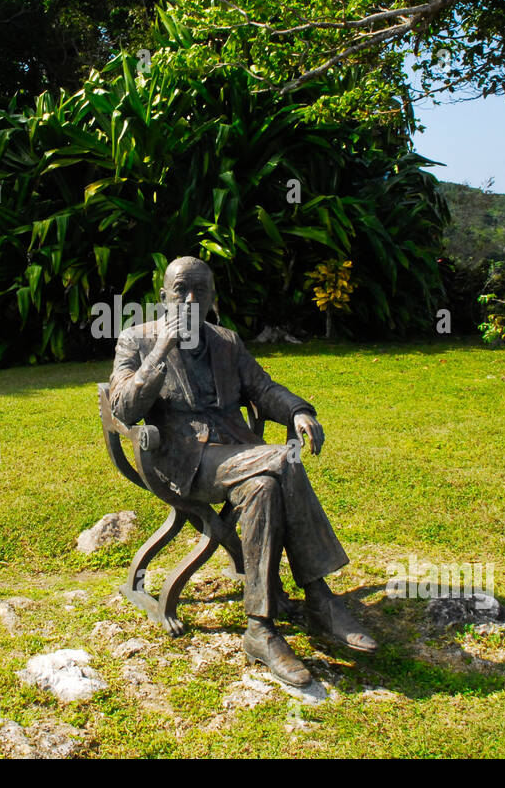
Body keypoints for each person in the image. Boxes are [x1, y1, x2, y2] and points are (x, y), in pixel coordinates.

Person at [108, 256, 376, 686]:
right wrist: (161, 351)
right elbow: (122, 407)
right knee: (280, 461)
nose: (191, 298)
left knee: (266, 487)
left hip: (237, 453)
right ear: (164, 297)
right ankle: (319, 599)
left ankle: (260, 629)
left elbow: (263, 388)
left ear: (213, 299)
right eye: (182, 290)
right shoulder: (136, 340)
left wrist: (299, 411)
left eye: (201, 290)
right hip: (183, 462)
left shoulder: (227, 341)